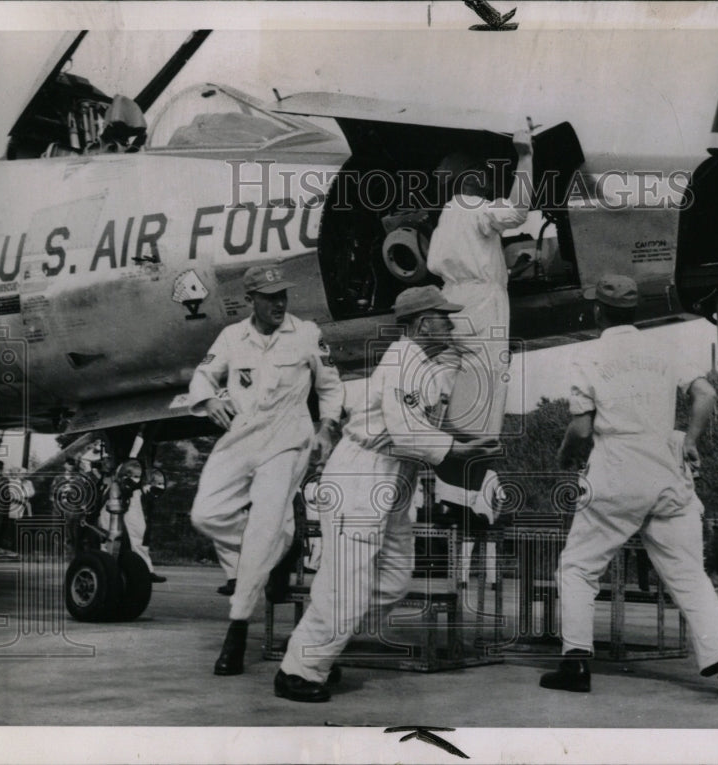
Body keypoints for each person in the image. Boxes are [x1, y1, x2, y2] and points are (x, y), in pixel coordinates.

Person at [275, 285, 499, 702]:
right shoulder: (401, 361)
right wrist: (458, 451)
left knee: (394, 580)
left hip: (394, 479)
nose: (449, 322)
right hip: (362, 474)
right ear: (419, 323)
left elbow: (423, 428)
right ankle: (300, 671)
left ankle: (320, 638)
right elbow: (406, 432)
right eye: (442, 316)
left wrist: (467, 443)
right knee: (348, 585)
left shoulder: (425, 365)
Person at [539, 273, 718, 699]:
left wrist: (565, 457)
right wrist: (689, 440)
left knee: (578, 567)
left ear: (598, 311)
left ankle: (576, 662)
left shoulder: (588, 355)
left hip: (616, 468)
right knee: (690, 575)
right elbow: (706, 394)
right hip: (666, 468)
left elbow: (581, 430)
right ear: (636, 310)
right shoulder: (664, 346)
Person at [189, 264, 343, 676]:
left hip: (288, 439)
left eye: (283, 295)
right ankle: (281, 548)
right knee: (205, 514)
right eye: (270, 297)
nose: (280, 303)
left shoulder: (306, 333)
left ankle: (236, 630)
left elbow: (330, 386)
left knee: (260, 528)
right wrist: (208, 401)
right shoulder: (232, 337)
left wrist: (326, 429)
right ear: (251, 300)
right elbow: (203, 376)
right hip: (243, 435)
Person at [426, 128, 533, 526]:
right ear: (469, 180)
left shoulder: (447, 218)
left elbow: (458, 264)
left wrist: (506, 272)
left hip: (454, 300)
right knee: (486, 396)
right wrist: (525, 158)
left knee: (454, 394)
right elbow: (519, 211)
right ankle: (465, 499)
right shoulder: (472, 206)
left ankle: (448, 495)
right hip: (483, 304)